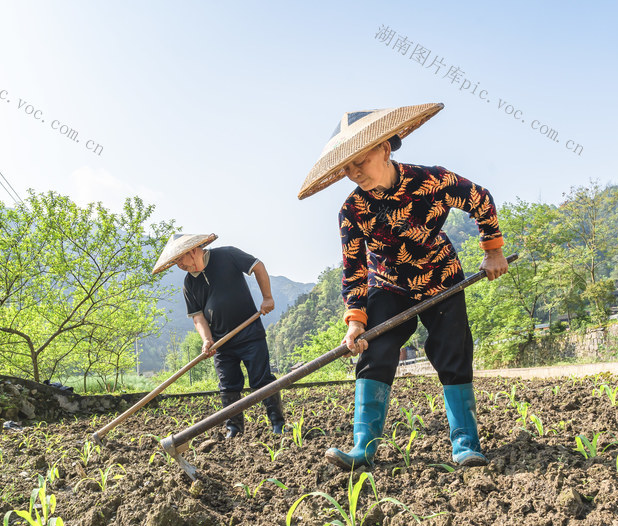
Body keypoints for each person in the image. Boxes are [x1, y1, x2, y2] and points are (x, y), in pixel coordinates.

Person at [297, 103, 509, 468]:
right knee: (374, 352)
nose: (353, 173)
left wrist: (492, 251)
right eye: (346, 167)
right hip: (388, 284)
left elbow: (480, 199)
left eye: (359, 161)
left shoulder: (433, 181)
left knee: (452, 352)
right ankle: (363, 448)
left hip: (440, 276)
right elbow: (353, 269)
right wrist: (356, 321)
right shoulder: (352, 210)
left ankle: (465, 443)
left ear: (384, 147)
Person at [153, 233, 286, 438]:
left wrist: (267, 298)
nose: (178, 265)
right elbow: (198, 317)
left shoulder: (227, 255)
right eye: (175, 261)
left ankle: (278, 425)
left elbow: (258, 266)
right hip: (222, 343)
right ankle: (234, 430)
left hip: (249, 333)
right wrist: (207, 340)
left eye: (180, 259)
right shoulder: (189, 283)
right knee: (228, 386)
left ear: (193, 250)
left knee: (262, 380)